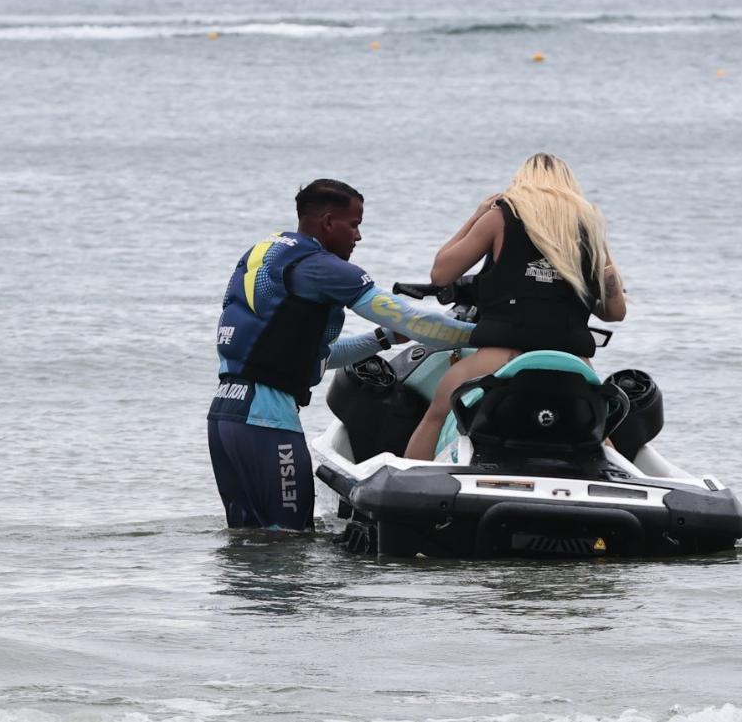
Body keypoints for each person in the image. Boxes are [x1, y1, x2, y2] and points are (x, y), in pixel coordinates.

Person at [208, 178, 474, 530]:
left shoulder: (270, 253)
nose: (358, 237)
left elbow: (312, 358)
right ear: (328, 222)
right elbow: (412, 320)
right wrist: (486, 333)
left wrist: (381, 339)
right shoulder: (324, 268)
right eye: (354, 225)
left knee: (247, 540)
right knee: (291, 539)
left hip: (226, 415)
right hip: (266, 420)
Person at [404, 153, 627, 461]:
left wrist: (476, 216)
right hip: (573, 363)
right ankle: (622, 480)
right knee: (599, 431)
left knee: (438, 412)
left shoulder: (501, 216)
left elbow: (441, 273)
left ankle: (413, 486)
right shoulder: (586, 226)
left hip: (501, 357)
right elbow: (615, 312)